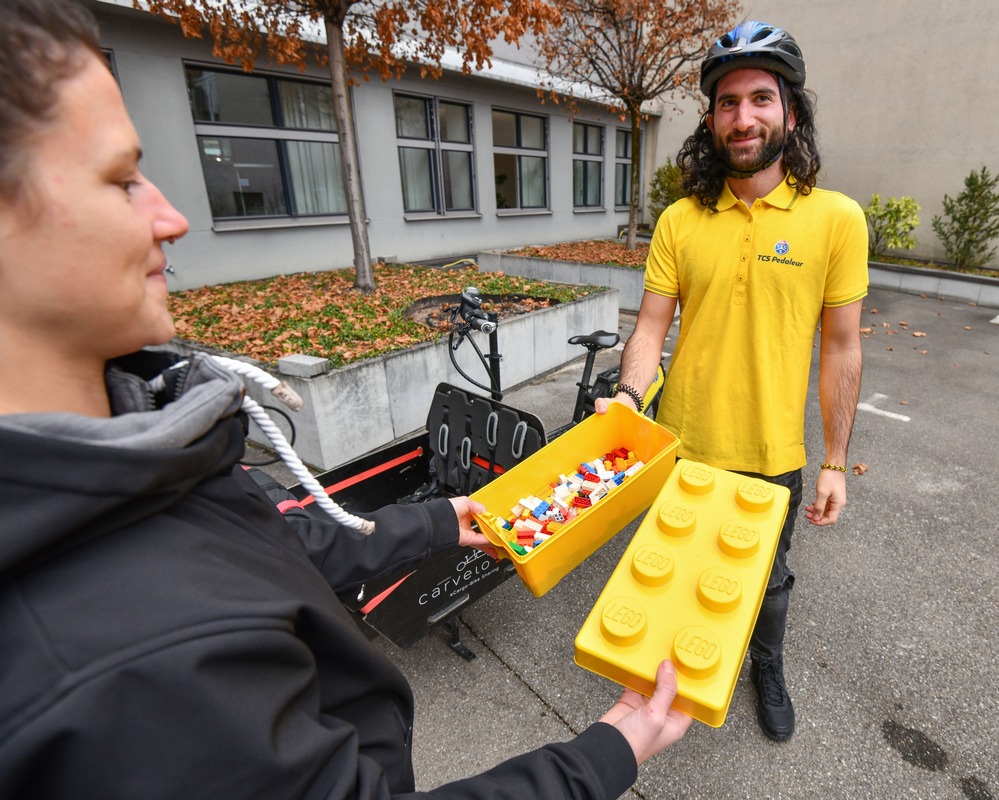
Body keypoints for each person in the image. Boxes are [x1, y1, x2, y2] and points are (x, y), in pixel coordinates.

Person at [0, 0, 690, 796]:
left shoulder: (130, 434)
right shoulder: (127, 670)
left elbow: (249, 547)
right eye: (121, 181)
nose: (173, 215)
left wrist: (436, 521)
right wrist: (605, 754)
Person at [595, 20, 868, 742]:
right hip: (680, 447)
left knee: (768, 582)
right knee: (670, 569)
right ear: (710, 118)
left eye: (760, 99)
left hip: (773, 456)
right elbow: (651, 327)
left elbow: (841, 348)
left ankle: (765, 667)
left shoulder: (837, 220)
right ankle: (663, 672)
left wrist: (836, 460)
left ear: (792, 113)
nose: (742, 117)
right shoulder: (681, 221)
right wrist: (627, 399)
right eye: (726, 102)